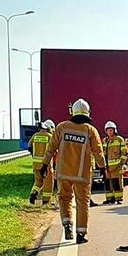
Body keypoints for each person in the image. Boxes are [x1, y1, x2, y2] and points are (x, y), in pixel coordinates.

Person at [42, 99, 104, 243]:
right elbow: (98, 152)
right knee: (82, 202)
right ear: (88, 113)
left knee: (64, 199)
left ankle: (67, 224)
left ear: (73, 111)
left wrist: (44, 164)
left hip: (63, 172)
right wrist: (102, 168)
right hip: (82, 174)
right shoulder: (90, 130)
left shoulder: (61, 127)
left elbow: (51, 148)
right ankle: (81, 234)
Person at [27, 120, 56, 205]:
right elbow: (55, 150)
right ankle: (46, 201)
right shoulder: (50, 137)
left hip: (36, 164)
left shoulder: (35, 135)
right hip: (46, 164)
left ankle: (33, 194)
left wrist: (34, 155)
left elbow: (29, 146)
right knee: (48, 182)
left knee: (38, 181)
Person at [102, 120, 128, 204]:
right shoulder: (105, 141)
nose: (109, 132)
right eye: (108, 130)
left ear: (114, 130)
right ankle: (109, 199)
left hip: (117, 166)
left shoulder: (119, 139)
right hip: (107, 167)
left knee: (117, 183)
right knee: (107, 183)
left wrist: (121, 164)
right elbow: (102, 153)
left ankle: (118, 198)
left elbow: (124, 153)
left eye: (111, 130)